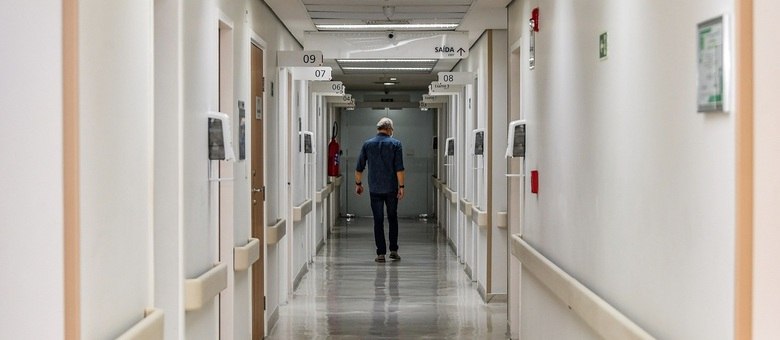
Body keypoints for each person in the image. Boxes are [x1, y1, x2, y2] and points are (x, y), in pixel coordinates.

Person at [355, 117, 405, 263]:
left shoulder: (367, 144)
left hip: (375, 189)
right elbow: (399, 168)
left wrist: (358, 183)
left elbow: (359, 167)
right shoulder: (396, 144)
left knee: (378, 220)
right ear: (389, 129)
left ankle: (381, 254)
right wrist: (401, 187)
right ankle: (394, 250)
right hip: (391, 188)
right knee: (392, 218)